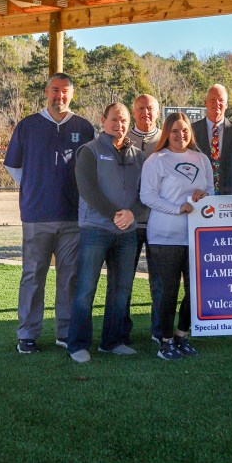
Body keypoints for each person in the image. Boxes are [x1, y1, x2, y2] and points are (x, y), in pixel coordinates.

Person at [5, 72, 95, 354]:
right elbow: (13, 166)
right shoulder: (28, 126)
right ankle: (27, 334)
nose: (60, 96)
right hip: (36, 216)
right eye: (55, 90)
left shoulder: (84, 127)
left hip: (72, 217)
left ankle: (65, 331)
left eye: (65, 91)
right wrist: (35, 186)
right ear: (46, 92)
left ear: (72, 94)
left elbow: (91, 171)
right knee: (33, 275)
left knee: (69, 277)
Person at [68, 104, 145, 364]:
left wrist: (132, 213)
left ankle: (112, 342)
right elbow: (87, 189)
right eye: (114, 120)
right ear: (103, 121)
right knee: (86, 288)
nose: (119, 125)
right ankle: (78, 344)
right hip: (96, 229)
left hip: (127, 232)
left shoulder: (138, 155)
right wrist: (115, 214)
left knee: (121, 290)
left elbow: (144, 193)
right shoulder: (89, 150)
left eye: (123, 120)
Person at [140, 112, 212, 361]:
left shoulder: (201, 159)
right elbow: (147, 196)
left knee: (196, 290)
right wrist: (176, 208)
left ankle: (182, 335)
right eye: (174, 131)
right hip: (164, 237)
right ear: (166, 134)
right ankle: (166, 340)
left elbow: (211, 190)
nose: (180, 135)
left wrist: (204, 195)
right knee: (168, 291)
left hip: (195, 237)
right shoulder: (156, 160)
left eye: (184, 130)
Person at [125, 94, 162, 343]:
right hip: (129, 223)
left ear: (157, 112)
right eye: (140, 109)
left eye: (150, 109)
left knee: (160, 281)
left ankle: (159, 330)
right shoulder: (122, 138)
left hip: (160, 222)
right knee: (123, 280)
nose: (145, 113)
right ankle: (120, 331)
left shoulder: (168, 138)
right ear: (133, 112)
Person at [192, 84, 232, 195]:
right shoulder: (191, 131)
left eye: (221, 100)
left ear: (226, 105)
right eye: (212, 99)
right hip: (200, 198)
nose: (217, 103)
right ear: (205, 102)